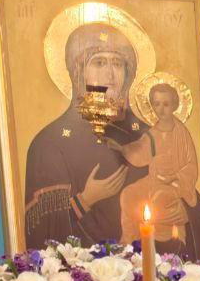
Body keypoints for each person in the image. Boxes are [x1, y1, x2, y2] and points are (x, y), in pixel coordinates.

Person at [23, 22, 150, 250]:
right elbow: (39, 230)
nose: (110, 74)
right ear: (78, 71)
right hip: (78, 270)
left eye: (117, 63)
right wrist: (85, 200)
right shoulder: (49, 143)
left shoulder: (147, 137)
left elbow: (188, 208)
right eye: (99, 62)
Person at [115, 81, 200, 252]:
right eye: (157, 104)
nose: (161, 109)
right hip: (153, 180)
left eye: (166, 104)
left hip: (174, 184)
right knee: (128, 194)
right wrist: (121, 148)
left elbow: (191, 165)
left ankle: (168, 244)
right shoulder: (152, 133)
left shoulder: (181, 133)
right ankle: (129, 240)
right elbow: (140, 152)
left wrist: (175, 177)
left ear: (175, 105)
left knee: (159, 199)